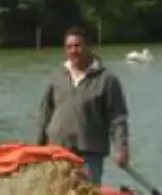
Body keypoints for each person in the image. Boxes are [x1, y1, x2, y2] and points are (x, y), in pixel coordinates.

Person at [35, 25, 129, 183]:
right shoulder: (57, 77)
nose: (73, 50)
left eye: (77, 46)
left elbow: (117, 118)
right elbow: (45, 113)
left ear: (89, 46)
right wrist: (38, 147)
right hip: (57, 151)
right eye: (69, 47)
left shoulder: (107, 80)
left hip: (90, 153)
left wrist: (121, 148)